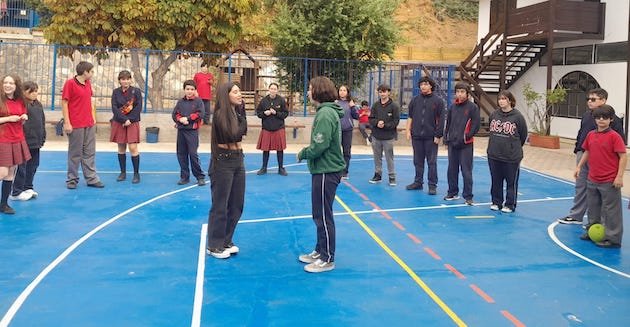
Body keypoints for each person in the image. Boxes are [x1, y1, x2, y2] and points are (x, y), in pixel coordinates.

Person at [297, 76, 345, 273]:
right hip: (323, 170)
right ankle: (320, 249)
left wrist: (304, 153)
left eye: (310, 89)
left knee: (324, 215)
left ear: (318, 91)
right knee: (319, 213)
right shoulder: (325, 111)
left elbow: (320, 144)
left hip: (327, 170)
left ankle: (327, 258)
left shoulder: (325, 113)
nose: (308, 92)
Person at [557, 88, 626, 225]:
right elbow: (581, 133)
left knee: (602, 192)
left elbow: (620, 147)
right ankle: (576, 215)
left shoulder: (614, 120)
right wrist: (578, 149)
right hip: (585, 154)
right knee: (581, 186)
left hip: (603, 161)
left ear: (603, 100)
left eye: (593, 99)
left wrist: (619, 173)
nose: (589, 101)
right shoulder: (587, 115)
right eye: (588, 99)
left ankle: (599, 222)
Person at [206, 82, 248, 259]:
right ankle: (214, 245)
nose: (240, 95)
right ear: (226, 95)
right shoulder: (219, 115)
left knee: (237, 204)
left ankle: (226, 240)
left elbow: (241, 132)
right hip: (223, 162)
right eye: (236, 92)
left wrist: (242, 113)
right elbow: (235, 134)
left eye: (240, 91)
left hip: (238, 160)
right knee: (220, 205)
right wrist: (242, 119)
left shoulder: (236, 112)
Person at [575, 105, 626, 248]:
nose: (601, 120)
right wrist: (579, 167)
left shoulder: (614, 136)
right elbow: (587, 152)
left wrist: (619, 176)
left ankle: (613, 238)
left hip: (609, 180)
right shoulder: (591, 135)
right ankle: (594, 230)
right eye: (598, 118)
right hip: (592, 178)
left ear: (611, 119)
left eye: (605, 118)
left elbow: (623, 156)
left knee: (611, 210)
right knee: (593, 208)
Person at [62, 61, 104, 189]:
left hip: (89, 123)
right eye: (91, 71)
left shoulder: (88, 83)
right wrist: (67, 122)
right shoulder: (70, 83)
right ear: (85, 72)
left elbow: (89, 101)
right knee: (75, 153)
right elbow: (64, 103)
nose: (92, 74)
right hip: (76, 124)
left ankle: (91, 178)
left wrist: (93, 117)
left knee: (89, 152)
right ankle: (72, 179)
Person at [486, 90, 528, 213]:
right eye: (499, 99)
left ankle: (510, 204)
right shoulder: (494, 115)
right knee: (496, 180)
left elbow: (523, 135)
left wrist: (513, 147)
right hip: (494, 154)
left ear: (510, 100)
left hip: (511, 157)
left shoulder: (518, 117)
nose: (501, 101)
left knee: (511, 182)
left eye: (504, 99)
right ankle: (496, 202)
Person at [405, 76, 445, 195]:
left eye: (426, 84)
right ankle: (418, 182)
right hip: (417, 135)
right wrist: (408, 130)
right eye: (422, 84)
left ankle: (432, 185)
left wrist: (438, 135)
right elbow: (410, 116)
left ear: (431, 86)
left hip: (431, 137)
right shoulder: (415, 100)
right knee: (418, 161)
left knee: (431, 162)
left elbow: (441, 119)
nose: (423, 86)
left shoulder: (438, 101)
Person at [443, 82, 480, 205]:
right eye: (458, 91)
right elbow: (448, 123)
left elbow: (476, 125)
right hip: (452, 143)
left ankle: (468, 196)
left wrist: (466, 136)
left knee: (466, 171)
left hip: (466, 145)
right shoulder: (452, 107)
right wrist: (446, 137)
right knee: (452, 170)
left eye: (462, 91)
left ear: (468, 94)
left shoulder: (473, 107)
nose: (459, 94)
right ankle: (452, 192)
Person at [0, 74, 31, 214]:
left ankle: (3, 204)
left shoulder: (20, 101)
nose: (7, 85)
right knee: (2, 172)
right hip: (3, 140)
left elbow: (22, 118)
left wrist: (24, 118)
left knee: (10, 174)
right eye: (5, 82)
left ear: (16, 86)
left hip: (17, 139)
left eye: (11, 83)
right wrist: (8, 119)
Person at [10, 81, 44, 201]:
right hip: (24, 141)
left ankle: (27, 187)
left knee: (33, 165)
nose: (35, 93)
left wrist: (42, 137)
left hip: (36, 142)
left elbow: (41, 122)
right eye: (32, 91)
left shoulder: (38, 105)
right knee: (22, 167)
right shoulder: (21, 105)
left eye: (36, 91)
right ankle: (17, 191)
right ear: (24, 92)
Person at [110, 70, 143, 184]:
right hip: (119, 122)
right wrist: (124, 119)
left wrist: (130, 120)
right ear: (119, 80)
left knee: (133, 148)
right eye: (123, 79)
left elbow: (138, 107)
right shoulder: (115, 92)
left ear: (130, 79)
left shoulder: (136, 91)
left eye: (127, 79)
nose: (125, 81)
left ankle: (136, 173)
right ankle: (122, 172)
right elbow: (114, 107)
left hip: (132, 122)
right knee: (121, 147)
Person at [172, 80, 206, 186]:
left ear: (195, 90)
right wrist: (180, 119)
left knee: (193, 154)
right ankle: (184, 177)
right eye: (187, 89)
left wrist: (188, 118)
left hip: (192, 132)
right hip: (181, 131)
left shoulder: (198, 101)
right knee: (181, 154)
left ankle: (200, 176)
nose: (189, 91)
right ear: (184, 90)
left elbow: (200, 114)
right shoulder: (180, 102)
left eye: (192, 89)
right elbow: (175, 114)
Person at [368, 84, 400, 186]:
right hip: (376, 136)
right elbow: (371, 118)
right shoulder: (375, 105)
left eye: (384, 91)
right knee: (377, 157)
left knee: (389, 157)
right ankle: (378, 175)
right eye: (380, 92)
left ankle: (392, 176)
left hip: (388, 137)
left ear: (388, 92)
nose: (382, 94)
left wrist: (385, 125)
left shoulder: (394, 106)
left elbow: (396, 121)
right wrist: (377, 123)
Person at [255, 83, 289, 176]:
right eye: (271, 88)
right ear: (268, 89)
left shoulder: (281, 100)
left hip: (278, 128)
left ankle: (281, 168)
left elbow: (285, 114)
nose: (273, 90)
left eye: (275, 89)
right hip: (267, 128)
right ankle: (264, 168)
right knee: (265, 149)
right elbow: (258, 113)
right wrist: (264, 113)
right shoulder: (263, 101)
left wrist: (276, 113)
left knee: (280, 149)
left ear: (277, 90)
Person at [337, 85, 359, 179]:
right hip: (336, 130)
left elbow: (356, 116)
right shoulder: (335, 102)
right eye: (340, 90)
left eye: (344, 90)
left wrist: (353, 107)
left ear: (347, 92)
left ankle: (345, 171)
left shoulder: (351, 103)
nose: (342, 92)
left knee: (346, 152)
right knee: (336, 151)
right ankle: (336, 169)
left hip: (347, 130)